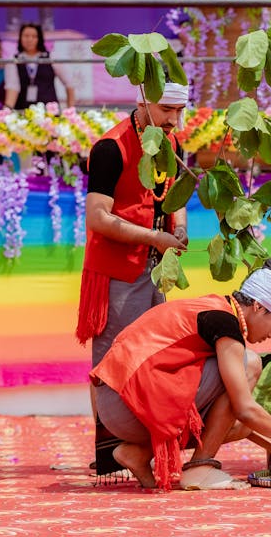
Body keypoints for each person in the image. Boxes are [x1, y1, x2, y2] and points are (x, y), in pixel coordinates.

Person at [90, 260, 271, 491]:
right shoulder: (225, 322)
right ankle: (200, 468)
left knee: (238, 425)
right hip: (128, 402)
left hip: (115, 406)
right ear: (258, 307)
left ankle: (138, 454)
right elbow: (244, 408)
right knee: (249, 364)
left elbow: (233, 419)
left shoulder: (213, 307)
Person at [77, 81, 190, 475]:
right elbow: (97, 218)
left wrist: (179, 228)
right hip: (118, 268)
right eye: (166, 110)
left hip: (156, 266)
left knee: (153, 356)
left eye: (179, 111)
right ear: (143, 101)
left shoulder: (171, 143)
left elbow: (176, 197)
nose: (173, 119)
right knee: (112, 360)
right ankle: (109, 456)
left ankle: (138, 446)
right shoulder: (111, 148)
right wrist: (153, 237)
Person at [3, 23, 75, 109]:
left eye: (34, 36)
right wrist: (7, 111)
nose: (29, 39)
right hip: (23, 110)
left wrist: (71, 109)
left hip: (49, 111)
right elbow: (12, 87)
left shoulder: (51, 57)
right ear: (20, 38)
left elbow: (69, 83)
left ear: (39, 39)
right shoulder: (14, 60)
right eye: (26, 36)